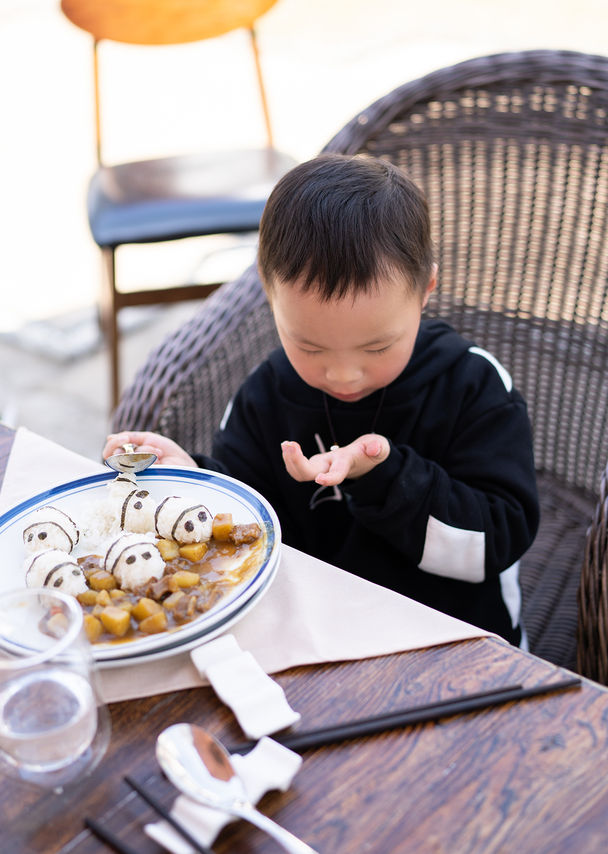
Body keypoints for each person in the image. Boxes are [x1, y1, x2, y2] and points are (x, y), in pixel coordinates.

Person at [104, 153, 539, 645]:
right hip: (317, 633)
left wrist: (384, 478)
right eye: (309, 346)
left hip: (453, 637)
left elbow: (495, 542)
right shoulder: (267, 395)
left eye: (377, 346)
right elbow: (248, 518)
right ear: (270, 300)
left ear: (425, 292)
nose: (343, 373)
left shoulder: (470, 386)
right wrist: (199, 483)